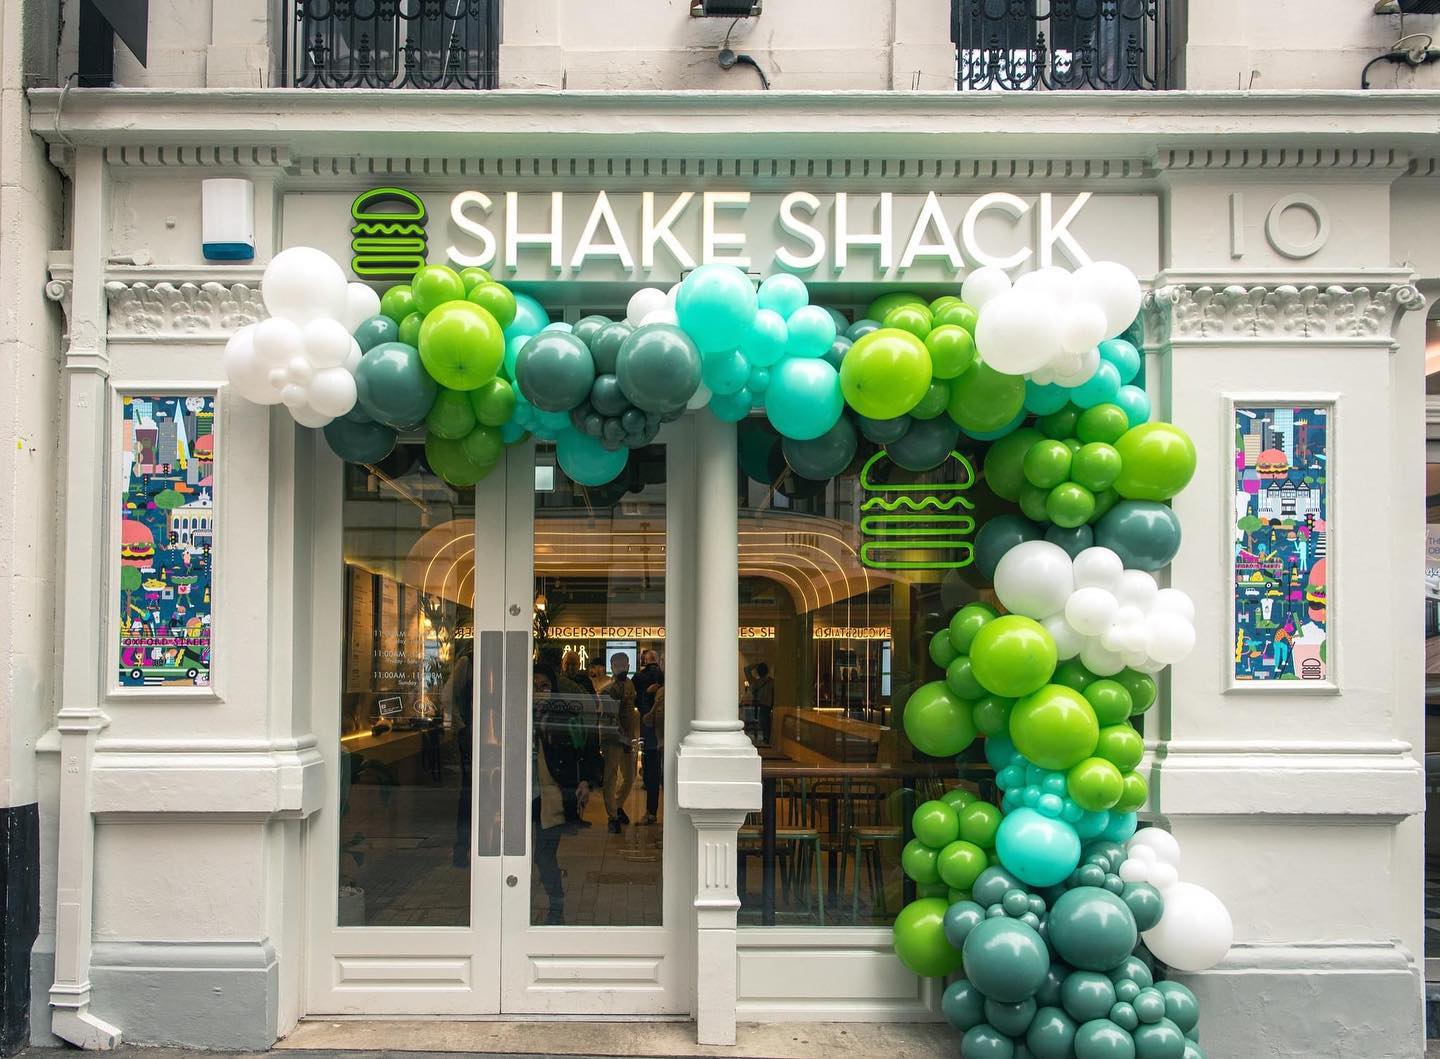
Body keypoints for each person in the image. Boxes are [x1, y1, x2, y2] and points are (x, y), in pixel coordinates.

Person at [532, 664, 593, 924]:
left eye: (544, 686)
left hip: (550, 795)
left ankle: (556, 906)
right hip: (516, 795)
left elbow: (583, 747)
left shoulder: (561, 716)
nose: (539, 692)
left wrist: (584, 781)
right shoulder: (512, 714)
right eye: (534, 687)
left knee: (543, 855)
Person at [599, 678, 639, 833]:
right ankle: (613, 815)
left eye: (624, 664)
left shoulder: (630, 685)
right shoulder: (607, 689)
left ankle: (617, 805)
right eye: (617, 665)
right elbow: (610, 715)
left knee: (630, 775)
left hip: (626, 737)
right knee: (611, 775)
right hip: (612, 737)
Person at [631, 649, 665, 823]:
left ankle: (651, 812)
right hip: (668, 733)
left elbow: (634, 700)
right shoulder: (667, 678)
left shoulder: (638, 678)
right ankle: (665, 817)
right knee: (665, 772)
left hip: (649, 729)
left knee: (651, 769)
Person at [639, 684, 665, 825]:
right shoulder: (662, 691)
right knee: (653, 777)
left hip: (656, 741)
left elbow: (649, 718)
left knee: (653, 777)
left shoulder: (661, 691)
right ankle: (652, 813)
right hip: (655, 741)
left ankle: (652, 813)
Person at [747, 661, 775, 747]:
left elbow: (746, 669)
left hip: (757, 706)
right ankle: (766, 741)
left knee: (757, 726)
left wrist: (756, 663)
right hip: (767, 706)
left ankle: (763, 741)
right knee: (766, 726)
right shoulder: (772, 682)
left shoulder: (755, 682)